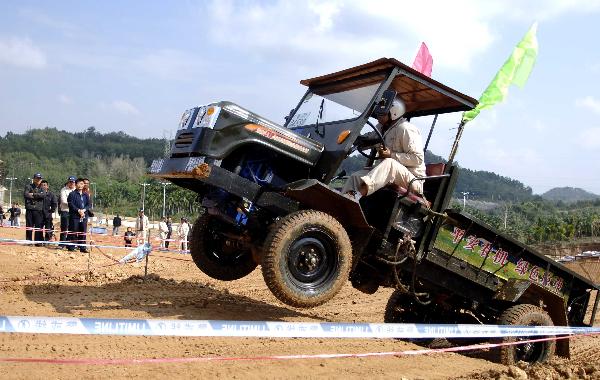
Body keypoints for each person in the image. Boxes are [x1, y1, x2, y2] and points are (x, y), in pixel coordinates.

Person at [342, 98, 426, 198]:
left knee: (389, 163)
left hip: (413, 180)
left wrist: (391, 155)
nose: (378, 117)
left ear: (394, 113)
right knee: (356, 177)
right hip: (387, 173)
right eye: (378, 114)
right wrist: (354, 138)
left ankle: (357, 196)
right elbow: (369, 140)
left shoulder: (405, 129)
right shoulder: (381, 128)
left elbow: (418, 159)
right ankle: (340, 201)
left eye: (382, 114)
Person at [67, 178, 91, 253]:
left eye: (82, 184)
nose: (80, 185)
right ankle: (71, 246)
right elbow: (71, 204)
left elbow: (89, 204)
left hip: (84, 216)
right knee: (73, 231)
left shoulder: (86, 195)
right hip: (75, 216)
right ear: (76, 184)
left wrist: (84, 210)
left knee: (83, 232)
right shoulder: (72, 194)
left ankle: (82, 247)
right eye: (79, 184)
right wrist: (78, 210)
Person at [23, 173, 46, 243]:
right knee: (29, 226)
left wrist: (33, 194)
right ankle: (28, 241)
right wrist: (38, 196)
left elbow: (43, 195)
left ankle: (37, 242)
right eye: (37, 178)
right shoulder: (28, 186)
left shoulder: (42, 188)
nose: (38, 180)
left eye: (40, 178)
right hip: (30, 208)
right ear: (33, 179)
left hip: (38, 210)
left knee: (38, 226)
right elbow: (26, 195)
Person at [58, 176, 76, 248]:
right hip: (65, 211)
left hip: (74, 212)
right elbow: (63, 201)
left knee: (73, 228)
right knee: (64, 228)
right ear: (68, 182)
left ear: (75, 183)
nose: (71, 183)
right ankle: (62, 244)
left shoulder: (76, 190)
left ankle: (70, 244)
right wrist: (73, 205)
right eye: (70, 182)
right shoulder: (63, 190)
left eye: (73, 182)